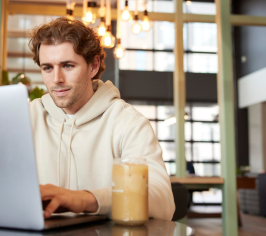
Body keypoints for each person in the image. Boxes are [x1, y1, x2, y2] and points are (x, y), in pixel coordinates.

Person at [28, 17, 175, 221]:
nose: (56, 79)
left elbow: (162, 200)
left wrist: (87, 199)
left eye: (68, 65)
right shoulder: (26, 118)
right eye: (47, 68)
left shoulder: (128, 123)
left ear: (93, 66)